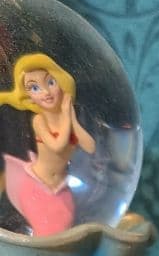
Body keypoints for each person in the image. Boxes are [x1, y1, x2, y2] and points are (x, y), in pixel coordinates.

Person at [0, 53, 96, 235]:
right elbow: (57, 146)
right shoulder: (39, 120)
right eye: (35, 88)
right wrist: (66, 116)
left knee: (63, 234)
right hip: (36, 186)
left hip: (61, 189)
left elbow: (90, 147)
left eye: (51, 82)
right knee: (44, 234)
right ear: (29, 96)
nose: (45, 92)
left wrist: (73, 119)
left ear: (61, 83)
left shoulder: (68, 119)